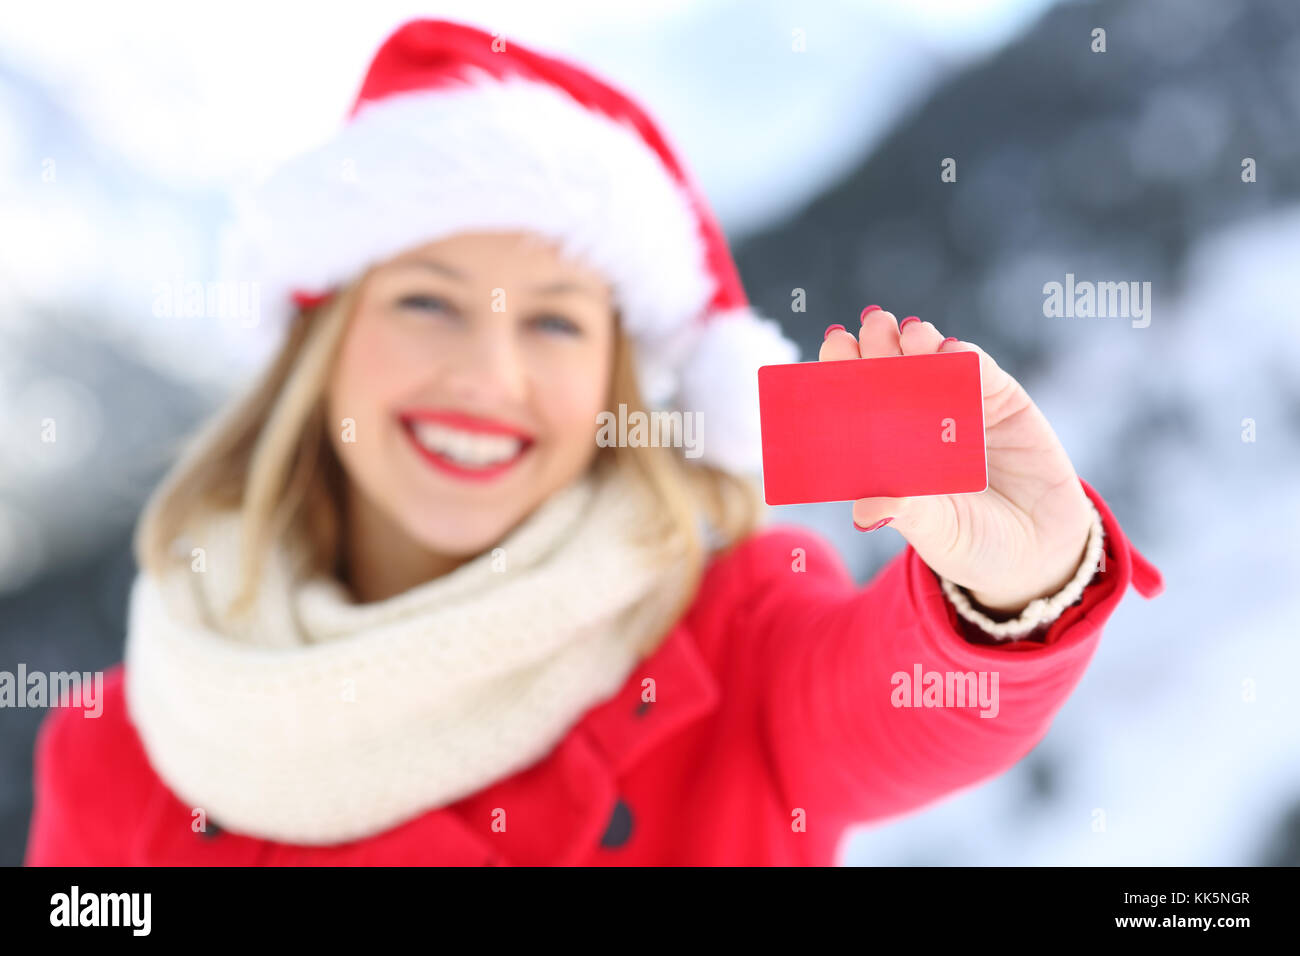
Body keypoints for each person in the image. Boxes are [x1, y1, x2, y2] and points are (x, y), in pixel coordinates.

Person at [24, 18, 1163, 866]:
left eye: (559, 321)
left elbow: (899, 701)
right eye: (429, 299)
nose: (490, 373)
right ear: (322, 345)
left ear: (622, 376)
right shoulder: (117, 748)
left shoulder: (731, 632)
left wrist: (1019, 585)